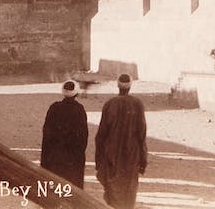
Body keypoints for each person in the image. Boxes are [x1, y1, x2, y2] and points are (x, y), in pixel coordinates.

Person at [95, 73, 148, 208]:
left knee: (113, 188)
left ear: (117, 85)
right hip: (131, 153)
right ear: (130, 86)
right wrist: (143, 159)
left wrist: (99, 159)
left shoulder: (110, 104)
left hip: (112, 153)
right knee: (129, 189)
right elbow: (142, 133)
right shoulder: (137, 104)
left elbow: (101, 134)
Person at [40, 79, 88, 188]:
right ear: (76, 93)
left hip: (55, 157)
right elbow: (83, 137)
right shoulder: (79, 109)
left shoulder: (54, 107)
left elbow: (46, 134)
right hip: (72, 158)